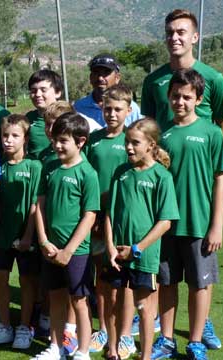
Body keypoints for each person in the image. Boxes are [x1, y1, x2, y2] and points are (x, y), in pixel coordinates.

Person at [153, 69, 223, 360]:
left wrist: (217, 225)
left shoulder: (211, 133)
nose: (180, 101)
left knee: (200, 284)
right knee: (167, 283)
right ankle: (167, 339)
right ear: (168, 97)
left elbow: (219, 179)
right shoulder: (161, 133)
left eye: (186, 96)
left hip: (199, 224)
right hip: (166, 225)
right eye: (175, 96)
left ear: (198, 99)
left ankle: (195, 341)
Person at [103, 118, 180, 360]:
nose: (128, 147)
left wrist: (136, 248)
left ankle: (145, 356)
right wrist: (110, 248)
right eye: (126, 142)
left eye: (134, 143)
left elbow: (165, 222)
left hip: (143, 255)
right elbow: (109, 214)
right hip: (117, 253)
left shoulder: (161, 177)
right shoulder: (121, 172)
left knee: (145, 307)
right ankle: (113, 350)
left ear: (150, 145)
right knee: (113, 303)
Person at [33, 112, 99, 360]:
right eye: (55, 140)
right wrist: (43, 240)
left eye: (63, 141)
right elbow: (39, 205)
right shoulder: (49, 167)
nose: (57, 145)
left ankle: (83, 352)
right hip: (50, 247)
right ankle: (56, 347)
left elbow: (89, 216)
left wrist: (69, 250)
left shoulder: (88, 174)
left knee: (79, 300)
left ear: (80, 142)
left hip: (77, 251)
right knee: (56, 298)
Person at [0, 114, 41, 350]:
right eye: (5, 135)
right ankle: (4, 326)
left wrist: (28, 235)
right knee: (0, 278)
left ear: (25, 138)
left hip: (27, 235)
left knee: (27, 280)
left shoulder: (34, 166)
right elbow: (0, 202)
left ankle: (24, 327)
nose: (8, 140)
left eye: (15, 136)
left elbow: (36, 204)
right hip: (3, 234)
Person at [83, 84, 133, 357]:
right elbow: (89, 180)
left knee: (123, 282)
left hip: (125, 220)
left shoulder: (131, 139)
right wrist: (95, 215)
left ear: (128, 110)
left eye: (118, 109)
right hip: (98, 220)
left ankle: (125, 334)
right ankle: (102, 329)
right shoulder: (94, 140)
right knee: (101, 279)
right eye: (108, 108)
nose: (112, 114)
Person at [141, 9, 223, 143]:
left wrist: (210, 160)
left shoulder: (214, 78)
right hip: (163, 161)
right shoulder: (152, 80)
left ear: (195, 37)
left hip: (198, 162)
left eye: (181, 32)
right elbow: (148, 127)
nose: (174, 38)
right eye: (169, 33)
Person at [74, 54, 141, 131]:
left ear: (117, 77)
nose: (100, 78)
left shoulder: (131, 108)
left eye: (106, 73)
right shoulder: (79, 107)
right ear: (90, 77)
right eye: (96, 72)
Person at [25, 70, 63, 159]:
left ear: (57, 92)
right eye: (33, 91)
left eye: (43, 90)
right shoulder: (28, 118)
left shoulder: (68, 118)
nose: (38, 94)